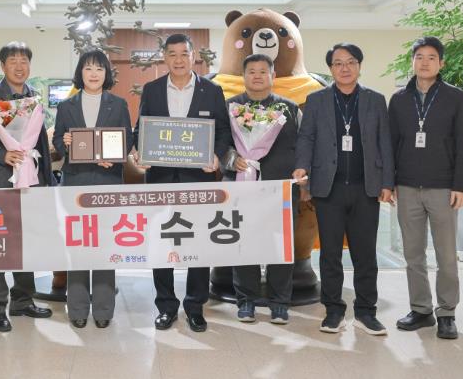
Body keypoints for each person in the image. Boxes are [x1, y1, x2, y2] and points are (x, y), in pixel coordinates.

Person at [131, 33, 231, 333]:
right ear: (165, 57)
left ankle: (195, 306)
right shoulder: (152, 90)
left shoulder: (211, 90)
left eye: (183, 54)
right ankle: (166, 306)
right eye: (172, 54)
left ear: (193, 56)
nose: (178, 60)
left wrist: (216, 155)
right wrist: (139, 152)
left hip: (197, 179)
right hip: (160, 179)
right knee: (160, 243)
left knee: (198, 244)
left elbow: (223, 131)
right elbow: (141, 129)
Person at [293, 43, 394, 336]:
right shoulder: (316, 100)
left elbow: (385, 142)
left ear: (359, 66)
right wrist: (302, 167)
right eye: (338, 63)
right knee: (330, 254)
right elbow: (306, 137)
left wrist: (387, 183)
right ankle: (333, 311)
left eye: (350, 62)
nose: (344, 68)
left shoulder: (375, 100)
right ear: (331, 69)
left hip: (366, 188)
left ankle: (366, 312)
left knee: (365, 254)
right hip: (329, 188)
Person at [0, 41, 54, 332]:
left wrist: (47, 180)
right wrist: (1, 154)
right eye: (12, 61)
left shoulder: (33, 96)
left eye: (24, 61)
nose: (19, 66)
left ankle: (22, 300)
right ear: (2, 66)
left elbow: (40, 141)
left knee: (26, 242)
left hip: (29, 180)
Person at [389, 36, 463, 340]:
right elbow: (391, 143)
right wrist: (389, 182)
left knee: (446, 255)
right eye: (419, 57)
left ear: (441, 63)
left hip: (443, 188)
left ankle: (447, 312)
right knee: (413, 254)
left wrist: (461, 186)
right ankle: (421, 309)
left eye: (431, 57)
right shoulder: (399, 99)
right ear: (412, 61)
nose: (424, 62)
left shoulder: (456, 98)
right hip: (407, 187)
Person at [52, 50, 133, 329]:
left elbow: (127, 140)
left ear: (106, 73)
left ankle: (103, 309)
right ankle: (76, 308)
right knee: (78, 246)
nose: (94, 73)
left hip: (107, 181)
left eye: (99, 68)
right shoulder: (66, 106)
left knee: (105, 247)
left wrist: (116, 156)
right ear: (80, 73)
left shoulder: (118, 104)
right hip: (76, 183)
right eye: (88, 68)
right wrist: (64, 142)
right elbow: (58, 140)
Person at [222, 54, 299, 325]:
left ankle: (280, 303)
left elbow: (303, 146)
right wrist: (232, 159)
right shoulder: (230, 107)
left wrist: (302, 176)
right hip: (242, 186)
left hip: (280, 188)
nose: (257, 76)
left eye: (263, 71)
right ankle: (246, 300)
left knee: (280, 244)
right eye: (251, 71)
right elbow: (219, 143)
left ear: (273, 76)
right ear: (243, 76)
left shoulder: (289, 109)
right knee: (243, 243)